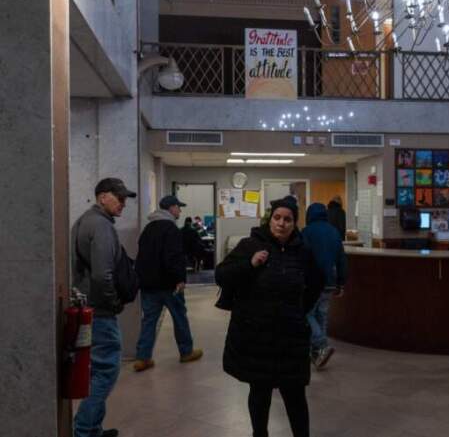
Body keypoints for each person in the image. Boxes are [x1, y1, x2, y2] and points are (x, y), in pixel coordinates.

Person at [215, 197, 324, 437]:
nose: (282, 223)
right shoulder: (249, 245)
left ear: (295, 223)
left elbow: (316, 282)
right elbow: (222, 275)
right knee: (259, 393)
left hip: (291, 337)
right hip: (257, 336)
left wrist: (298, 311)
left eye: (288, 219)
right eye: (277, 218)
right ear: (270, 219)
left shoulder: (303, 253)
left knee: (295, 395)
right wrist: (250, 265)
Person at [71, 178, 137, 437]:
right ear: (102, 197)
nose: (122, 204)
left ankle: (92, 429)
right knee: (106, 372)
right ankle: (85, 430)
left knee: (97, 371)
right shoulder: (101, 226)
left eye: (124, 199)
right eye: (118, 198)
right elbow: (102, 275)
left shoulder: (85, 220)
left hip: (90, 307)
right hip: (100, 311)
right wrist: (114, 303)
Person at [133, 195, 203, 372]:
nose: (180, 210)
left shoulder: (148, 229)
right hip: (168, 284)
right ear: (171, 208)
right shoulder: (171, 228)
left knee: (149, 321)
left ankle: (143, 358)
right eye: (178, 207)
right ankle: (186, 352)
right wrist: (179, 279)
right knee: (180, 317)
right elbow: (174, 257)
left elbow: (141, 256)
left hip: (148, 285)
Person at [301, 202, 348, 368]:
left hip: (313, 282)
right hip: (330, 282)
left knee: (306, 313)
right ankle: (319, 354)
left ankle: (322, 345)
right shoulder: (333, 231)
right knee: (322, 316)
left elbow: (302, 258)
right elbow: (341, 259)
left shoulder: (306, 232)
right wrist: (341, 282)